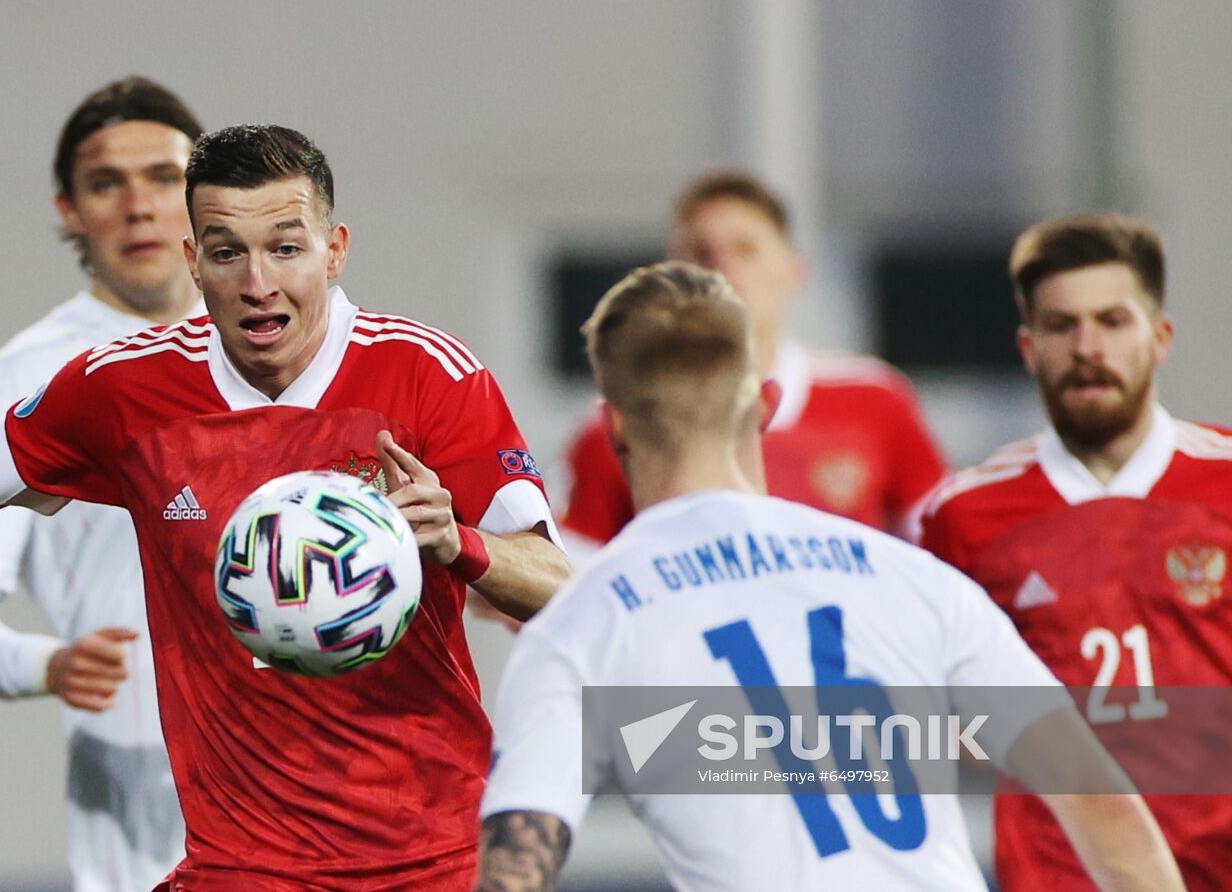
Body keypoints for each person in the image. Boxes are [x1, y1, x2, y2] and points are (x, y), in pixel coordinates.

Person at [0, 124, 571, 891]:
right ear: (194, 262)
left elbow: (561, 586)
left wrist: (460, 541)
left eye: (286, 247)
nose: (258, 281)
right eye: (228, 251)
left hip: (438, 861)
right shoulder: (126, 390)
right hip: (240, 867)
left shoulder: (430, 376)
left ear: (335, 251)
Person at [477, 261, 1183, 892]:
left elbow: (517, 861)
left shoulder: (584, 618)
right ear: (767, 404)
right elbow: (1099, 797)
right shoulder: (908, 574)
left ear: (615, 426)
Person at [0, 76, 202, 892]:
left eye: (163, 177)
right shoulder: (29, 375)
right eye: (106, 182)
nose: (139, 205)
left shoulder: (283, 349)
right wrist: (43, 662)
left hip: (324, 796)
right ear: (69, 209)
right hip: (145, 830)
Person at [921, 214, 1232, 892]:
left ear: (1160, 337)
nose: (1087, 347)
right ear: (1029, 347)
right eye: (1062, 326)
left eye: (1112, 321)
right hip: (1057, 874)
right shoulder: (963, 515)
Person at [560, 171, 947, 551]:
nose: (722, 266)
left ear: (794, 270)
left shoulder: (875, 400)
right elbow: (567, 584)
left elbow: (943, 548)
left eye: (745, 249)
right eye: (701, 252)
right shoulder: (617, 422)